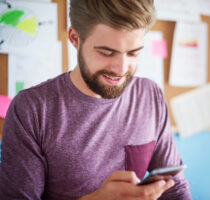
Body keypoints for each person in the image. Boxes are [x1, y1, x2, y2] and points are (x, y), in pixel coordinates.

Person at [0, 0, 192, 199]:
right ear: (75, 38)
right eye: (106, 53)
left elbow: (175, 188)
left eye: (133, 53)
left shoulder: (149, 95)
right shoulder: (31, 110)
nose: (121, 69)